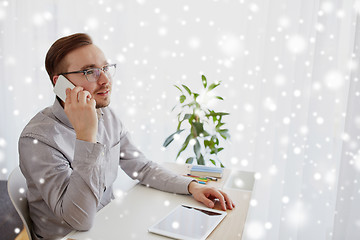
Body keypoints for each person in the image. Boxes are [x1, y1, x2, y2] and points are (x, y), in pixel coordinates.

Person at [18, 33, 235, 240]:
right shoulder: (38, 140)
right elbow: (80, 219)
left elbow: (141, 167)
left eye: (105, 68)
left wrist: (192, 186)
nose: (105, 80)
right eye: (89, 71)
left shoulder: (107, 116)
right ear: (60, 84)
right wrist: (86, 136)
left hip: (109, 224)